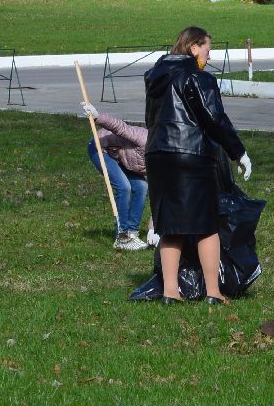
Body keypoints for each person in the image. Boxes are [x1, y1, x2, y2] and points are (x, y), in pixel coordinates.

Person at [143, 26, 251, 304]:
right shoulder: (198, 77)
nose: (209, 53)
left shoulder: (155, 77)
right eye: (206, 48)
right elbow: (215, 119)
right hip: (190, 155)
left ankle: (169, 291)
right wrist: (237, 151)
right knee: (206, 224)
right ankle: (213, 291)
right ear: (193, 47)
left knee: (170, 225)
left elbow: (150, 120)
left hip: (157, 155)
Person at [80, 102, 150, 250]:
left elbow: (162, 196)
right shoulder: (143, 138)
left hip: (120, 156)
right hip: (101, 147)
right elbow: (120, 127)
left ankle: (132, 233)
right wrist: (97, 116)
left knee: (142, 187)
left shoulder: (164, 163)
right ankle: (122, 237)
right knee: (124, 187)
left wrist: (155, 229)